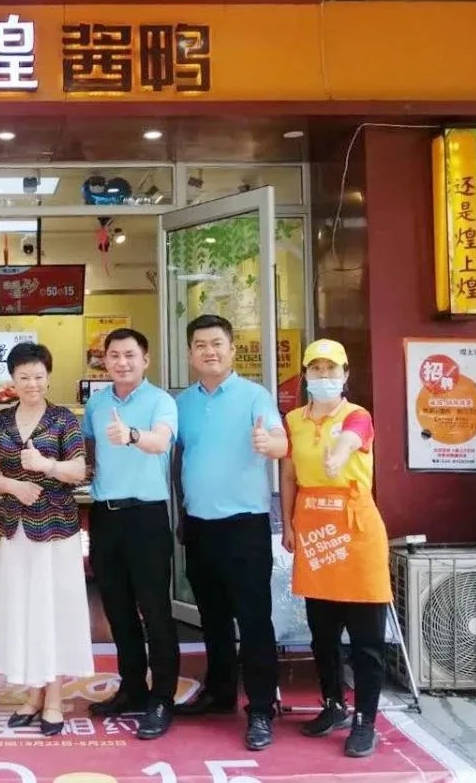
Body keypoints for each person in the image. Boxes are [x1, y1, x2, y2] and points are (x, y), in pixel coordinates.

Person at [174, 314, 288, 751]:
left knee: (254, 618)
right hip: (199, 525)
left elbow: (280, 442)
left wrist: (269, 445)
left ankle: (260, 707)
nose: (209, 351)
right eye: (200, 345)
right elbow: (177, 457)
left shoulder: (255, 396)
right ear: (190, 353)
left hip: (245, 525)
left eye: (217, 343)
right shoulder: (182, 404)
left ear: (232, 348)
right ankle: (220, 693)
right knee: (213, 616)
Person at [280, 338, 392, 759]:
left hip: (356, 531)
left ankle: (365, 720)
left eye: (332, 369)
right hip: (315, 531)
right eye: (316, 368)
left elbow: (351, 439)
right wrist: (288, 523)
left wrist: (337, 456)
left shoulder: (357, 415)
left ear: (345, 374)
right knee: (322, 633)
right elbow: (288, 474)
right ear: (305, 374)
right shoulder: (293, 420)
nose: (324, 376)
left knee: (365, 639)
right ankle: (333, 705)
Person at [0, 342, 92, 737]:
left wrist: (46, 465)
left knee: (54, 611)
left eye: (38, 376)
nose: (32, 383)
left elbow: (79, 470)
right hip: (16, 530)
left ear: (49, 377)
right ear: (12, 380)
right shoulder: (0, 421)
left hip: (57, 531)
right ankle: (32, 695)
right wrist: (14, 486)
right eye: (24, 377)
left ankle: (55, 699)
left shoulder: (63, 419)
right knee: (22, 609)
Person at [81, 328, 180, 740]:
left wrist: (132, 436)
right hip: (105, 517)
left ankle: (162, 697)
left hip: (146, 517)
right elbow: (88, 451)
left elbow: (161, 442)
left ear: (145, 359)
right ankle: (133, 688)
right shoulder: (97, 403)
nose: (122, 362)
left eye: (129, 355)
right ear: (105, 360)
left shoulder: (161, 401)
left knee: (154, 610)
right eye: (114, 356)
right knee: (117, 610)